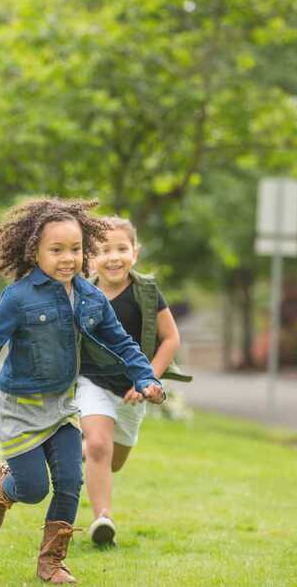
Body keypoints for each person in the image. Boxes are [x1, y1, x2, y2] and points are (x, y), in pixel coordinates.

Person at [0, 198, 162, 585]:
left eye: (76, 249)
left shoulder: (89, 296)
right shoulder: (18, 297)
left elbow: (123, 342)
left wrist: (145, 377)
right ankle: (1, 484)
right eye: (57, 250)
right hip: (20, 409)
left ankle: (52, 562)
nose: (68, 258)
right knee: (31, 489)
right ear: (35, 252)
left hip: (64, 405)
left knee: (69, 481)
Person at [78, 216, 191, 546]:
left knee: (114, 461)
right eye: (104, 249)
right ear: (90, 257)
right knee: (100, 445)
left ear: (135, 253)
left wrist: (147, 380)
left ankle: (80, 450)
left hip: (133, 391)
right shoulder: (81, 291)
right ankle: (103, 519)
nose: (113, 256)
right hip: (91, 381)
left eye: (121, 248)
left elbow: (170, 339)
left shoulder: (147, 292)